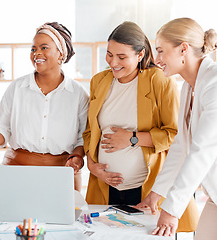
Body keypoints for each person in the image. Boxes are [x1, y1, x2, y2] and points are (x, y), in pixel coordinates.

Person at [82, 21, 198, 232]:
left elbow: (175, 134)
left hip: (146, 189)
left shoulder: (160, 81)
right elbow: (90, 132)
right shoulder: (99, 81)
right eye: (109, 54)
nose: (113, 62)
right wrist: (92, 166)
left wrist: (132, 138)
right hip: (105, 187)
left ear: (140, 54)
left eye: (121, 57)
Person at [0, 22, 89, 191]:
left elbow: (84, 137)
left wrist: (77, 156)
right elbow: (2, 128)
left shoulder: (78, 93)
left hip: (62, 174)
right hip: (17, 172)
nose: (37, 53)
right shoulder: (17, 88)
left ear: (61, 54)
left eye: (44, 48)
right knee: (14, 218)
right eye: (33, 49)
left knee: (60, 218)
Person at [136, 18, 217, 238]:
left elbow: (203, 151)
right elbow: (181, 147)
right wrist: (157, 193)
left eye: (161, 51)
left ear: (183, 49)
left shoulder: (214, 84)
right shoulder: (189, 87)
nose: (157, 58)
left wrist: (171, 210)